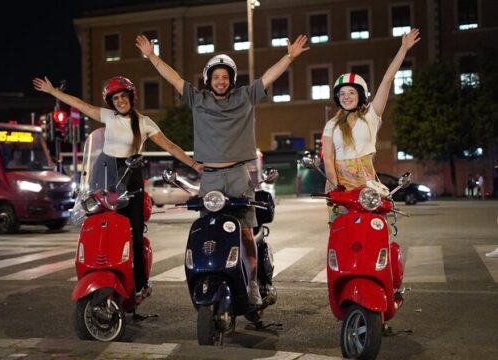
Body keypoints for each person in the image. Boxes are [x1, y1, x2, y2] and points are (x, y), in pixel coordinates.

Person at [135, 33, 309, 305]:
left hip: (239, 174)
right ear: (208, 79)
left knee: (246, 230)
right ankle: (209, 276)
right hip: (210, 177)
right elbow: (174, 78)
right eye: (216, 77)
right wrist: (152, 56)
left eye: (225, 77)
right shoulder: (197, 99)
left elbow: (268, 77)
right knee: (207, 228)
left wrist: (289, 57)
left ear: (231, 79)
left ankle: (252, 283)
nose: (221, 81)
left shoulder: (245, 97)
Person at [33, 75, 203, 304]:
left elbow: (171, 146)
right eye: (115, 98)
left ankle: (140, 284)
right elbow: (82, 105)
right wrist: (54, 92)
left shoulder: (144, 123)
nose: (120, 101)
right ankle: (100, 271)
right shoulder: (108, 117)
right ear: (110, 102)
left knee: (133, 233)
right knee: (98, 226)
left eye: (123, 96)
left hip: (130, 175)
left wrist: (193, 164)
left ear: (131, 97)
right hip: (104, 174)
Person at [321, 28, 420, 219]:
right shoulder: (331, 124)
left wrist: (403, 49)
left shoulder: (371, 116)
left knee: (374, 227)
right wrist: (334, 186)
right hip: (339, 186)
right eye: (342, 93)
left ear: (360, 95)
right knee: (341, 232)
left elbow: (387, 79)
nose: (346, 97)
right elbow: (328, 159)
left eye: (351, 92)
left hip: (366, 184)